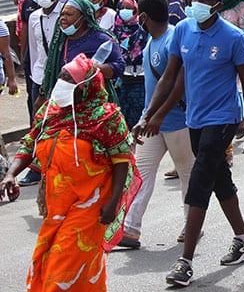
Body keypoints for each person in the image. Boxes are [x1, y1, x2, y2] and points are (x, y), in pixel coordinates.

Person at [134, 0, 244, 287]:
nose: (197, 3)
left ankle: (185, 261)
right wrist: (148, 114)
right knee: (220, 180)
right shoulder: (183, 30)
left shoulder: (233, 37)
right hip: (196, 119)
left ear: (216, 4)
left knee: (200, 183)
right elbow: (169, 77)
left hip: (224, 118)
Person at [1, 53, 140, 291]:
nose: (61, 82)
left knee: (62, 269)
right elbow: (30, 143)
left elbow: (121, 160)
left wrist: (113, 201)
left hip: (91, 205)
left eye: (68, 78)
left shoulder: (106, 117)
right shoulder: (51, 111)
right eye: (61, 76)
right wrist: (11, 174)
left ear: (84, 87)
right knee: (60, 265)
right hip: (56, 206)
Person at [119, 0, 193, 249]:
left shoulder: (174, 39)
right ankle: (130, 229)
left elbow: (177, 84)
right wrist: (145, 117)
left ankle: (191, 224)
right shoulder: (151, 42)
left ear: (143, 16)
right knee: (141, 173)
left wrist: (157, 116)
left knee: (187, 174)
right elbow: (154, 89)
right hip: (152, 123)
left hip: (178, 123)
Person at [38, 0, 126, 108]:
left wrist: (89, 69)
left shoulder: (102, 40)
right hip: (64, 102)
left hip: (93, 105)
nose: (63, 18)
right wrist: (42, 94)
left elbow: (119, 66)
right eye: (62, 14)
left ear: (83, 17)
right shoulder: (60, 40)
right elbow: (50, 70)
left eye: (69, 15)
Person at [111, 0, 148, 128]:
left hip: (140, 80)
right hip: (120, 82)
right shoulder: (113, 31)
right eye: (122, 8)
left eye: (129, 8)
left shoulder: (144, 30)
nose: (125, 11)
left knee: (137, 117)